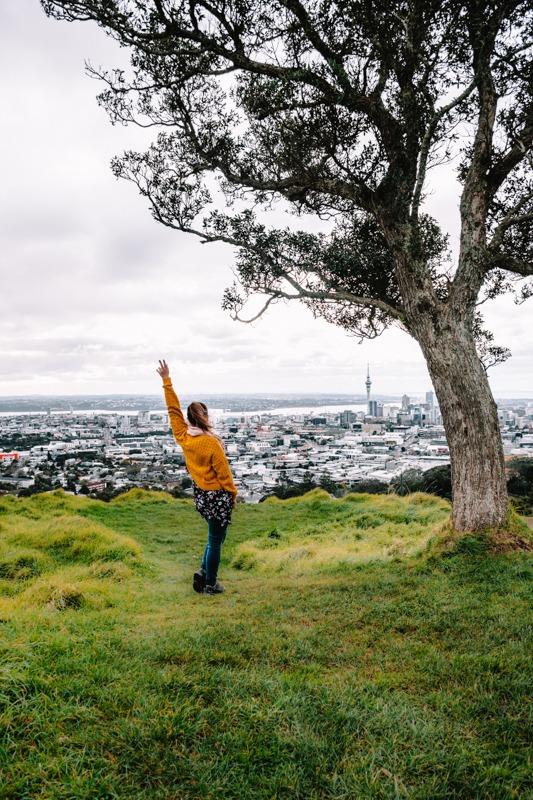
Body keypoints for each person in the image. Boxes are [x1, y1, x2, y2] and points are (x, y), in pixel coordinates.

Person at [156, 359, 237, 595]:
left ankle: (203, 572)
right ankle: (211, 584)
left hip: (201, 494)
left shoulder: (184, 436)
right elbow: (224, 474)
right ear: (204, 417)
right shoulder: (210, 443)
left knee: (215, 538)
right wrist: (232, 494)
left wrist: (166, 381)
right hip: (218, 495)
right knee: (216, 540)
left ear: (189, 418)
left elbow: (173, 410)